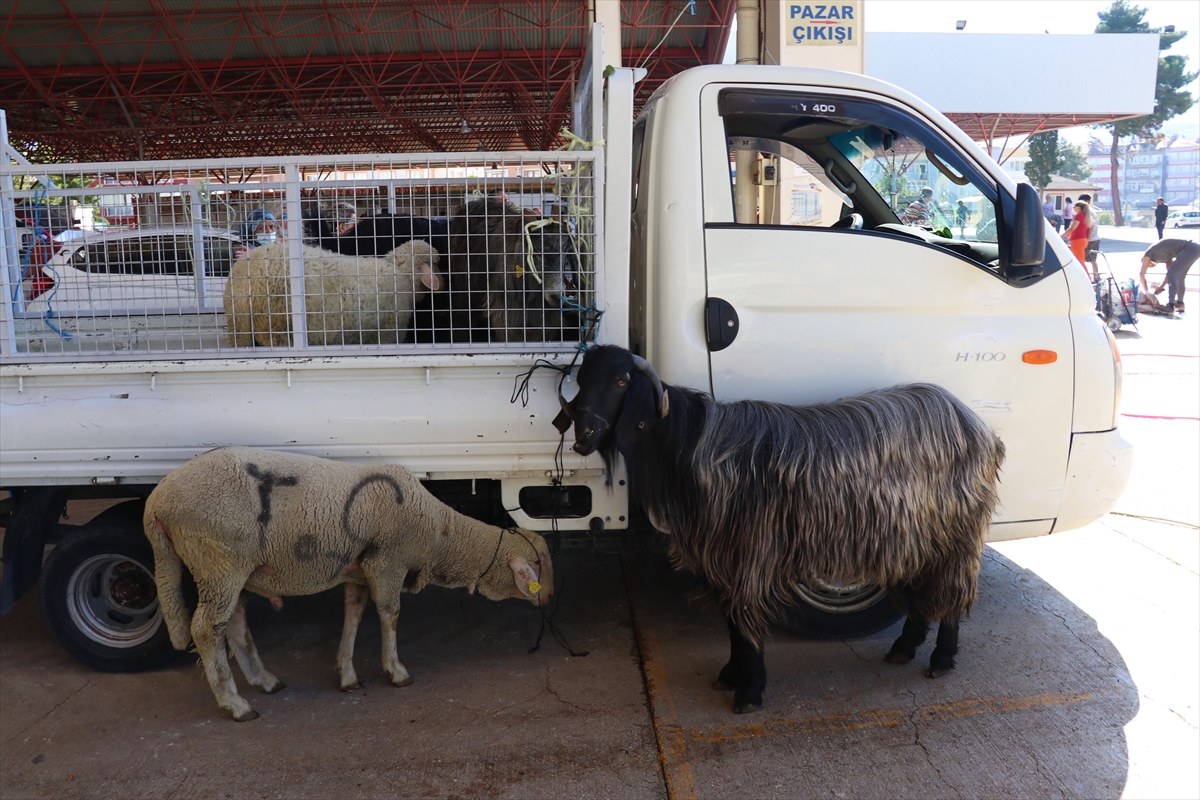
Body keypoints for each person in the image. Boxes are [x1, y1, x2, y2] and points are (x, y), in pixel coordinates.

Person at [1140, 238, 1199, 314]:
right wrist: (1161, 287)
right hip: (1194, 248)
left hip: (1189, 248)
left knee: (1174, 275)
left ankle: (1170, 306)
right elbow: (1170, 274)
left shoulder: (1148, 254)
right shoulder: (1163, 256)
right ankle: (1180, 304)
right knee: (1180, 276)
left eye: (1147, 265)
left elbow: (1141, 274)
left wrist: (1147, 293)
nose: (1148, 266)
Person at [1078, 193, 1101, 281]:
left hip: (1090, 238)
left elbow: (1090, 226)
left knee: (1088, 259)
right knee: (1092, 260)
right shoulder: (1091, 211)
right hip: (1094, 238)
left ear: (1087, 201)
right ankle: (1096, 278)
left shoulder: (1087, 212)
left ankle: (1094, 278)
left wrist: (1086, 238)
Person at [1061, 200, 1091, 269]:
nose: (1074, 209)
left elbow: (1072, 229)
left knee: (1079, 261)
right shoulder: (1085, 216)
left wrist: (1061, 236)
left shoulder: (1079, 215)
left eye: (1075, 207)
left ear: (1079, 208)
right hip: (1082, 239)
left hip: (1077, 240)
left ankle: (1085, 275)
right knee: (1079, 260)